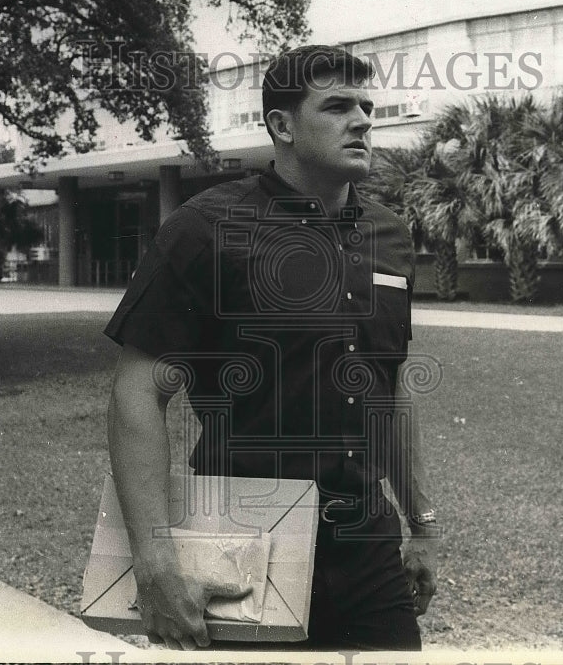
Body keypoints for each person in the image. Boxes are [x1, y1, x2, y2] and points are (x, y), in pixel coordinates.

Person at [104, 44, 438, 651]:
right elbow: (138, 392)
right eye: (337, 107)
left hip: (367, 542)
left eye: (366, 107)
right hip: (245, 534)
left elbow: (388, 390)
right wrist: (153, 560)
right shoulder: (206, 228)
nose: (362, 121)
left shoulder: (388, 235)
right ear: (281, 126)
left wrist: (421, 524)